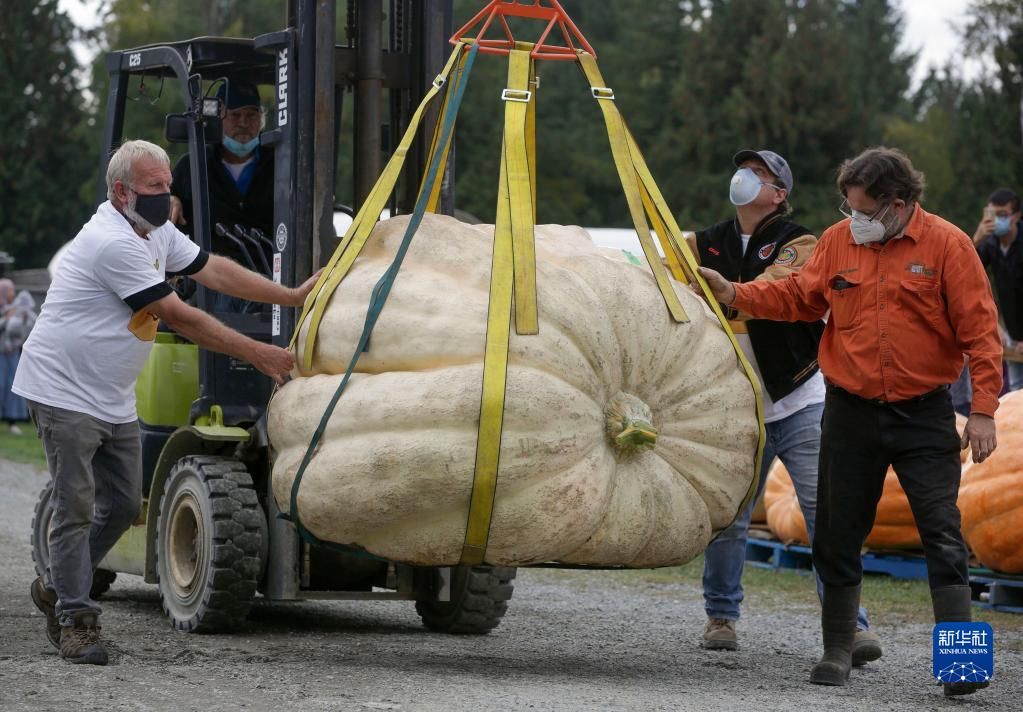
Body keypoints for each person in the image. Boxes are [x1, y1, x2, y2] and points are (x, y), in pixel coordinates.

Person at [695, 147, 1001, 696]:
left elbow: (981, 334)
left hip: (924, 414)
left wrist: (982, 412)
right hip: (850, 412)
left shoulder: (950, 246)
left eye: (862, 210)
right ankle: (837, 651)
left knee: (943, 535)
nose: (851, 218)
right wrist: (737, 293)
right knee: (836, 533)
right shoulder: (839, 243)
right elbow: (797, 296)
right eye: (848, 207)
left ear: (898, 206)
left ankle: (960, 665)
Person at [13, 140, 318, 666]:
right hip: (62, 390)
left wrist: (288, 295)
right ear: (121, 191)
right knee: (76, 504)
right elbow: (182, 317)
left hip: (111, 395)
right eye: (155, 188)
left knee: (126, 505)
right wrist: (260, 354)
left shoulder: (153, 230)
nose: (166, 196)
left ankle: (58, 585)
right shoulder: (113, 243)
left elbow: (213, 270)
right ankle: (76, 621)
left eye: (167, 187)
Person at [692, 150, 878, 664]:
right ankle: (721, 617)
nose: (745, 179)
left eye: (760, 174)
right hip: (736, 404)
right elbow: (667, 274)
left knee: (825, 516)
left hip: (797, 399)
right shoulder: (704, 239)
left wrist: (725, 291)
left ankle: (851, 627)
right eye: (743, 170)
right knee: (730, 518)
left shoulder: (801, 241)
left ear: (779, 194)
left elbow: (778, 289)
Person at [169, 80, 275, 311]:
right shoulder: (193, 166)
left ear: (261, 119)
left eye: (251, 114)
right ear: (218, 119)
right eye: (235, 115)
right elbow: (166, 202)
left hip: (270, 276)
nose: (244, 123)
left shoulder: (281, 164)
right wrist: (170, 198)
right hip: (213, 282)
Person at [972, 188, 1023, 392]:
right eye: (993, 214)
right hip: (1012, 331)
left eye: (1003, 215)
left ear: (1016, 216)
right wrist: (977, 238)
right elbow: (965, 271)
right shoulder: (990, 244)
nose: (997, 220)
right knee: (1016, 391)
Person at [0, 285, 36, 433]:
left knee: (12, 386)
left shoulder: (17, 310)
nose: (12, 294)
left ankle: (11, 420)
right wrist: (5, 318)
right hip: (2, 354)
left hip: (12, 354)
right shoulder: (6, 312)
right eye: (9, 291)